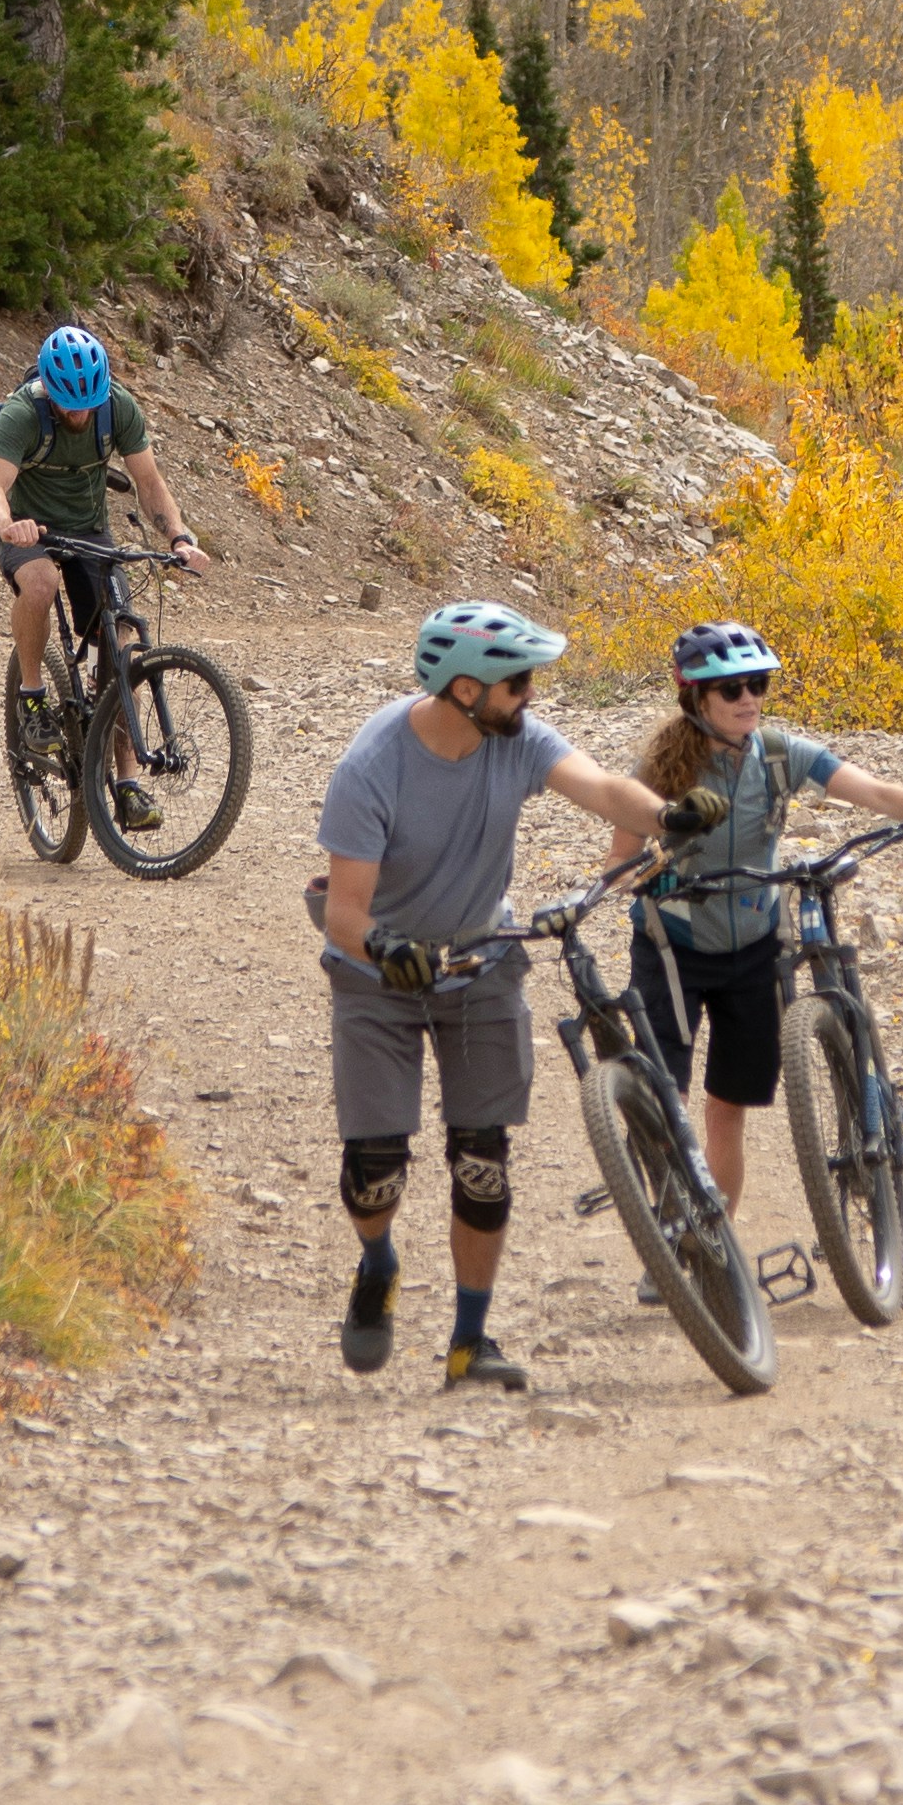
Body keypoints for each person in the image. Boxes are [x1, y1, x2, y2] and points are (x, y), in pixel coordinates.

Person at [314, 596, 662, 1393]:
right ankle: (378, 1262)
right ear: (467, 689)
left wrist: (672, 817)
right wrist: (386, 949)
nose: (530, 696)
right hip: (379, 980)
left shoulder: (517, 739)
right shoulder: (371, 768)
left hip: (480, 965)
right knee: (377, 1174)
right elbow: (342, 914)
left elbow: (607, 791)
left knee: (483, 1163)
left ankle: (470, 1344)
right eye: (517, 683)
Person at [636, 618, 903, 1236]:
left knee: (727, 1107)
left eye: (757, 684)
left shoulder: (781, 754)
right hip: (671, 946)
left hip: (754, 944)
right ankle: (671, 1224)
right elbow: (622, 859)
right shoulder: (660, 764)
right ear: (697, 698)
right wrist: (655, 876)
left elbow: (863, 787)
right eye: (732, 689)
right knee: (663, 1101)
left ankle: (712, 1240)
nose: (749, 699)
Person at [0, 327, 197, 831]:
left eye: (87, 405)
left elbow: (149, 483)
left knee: (118, 648)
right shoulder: (21, 414)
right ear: (50, 392)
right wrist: (7, 524)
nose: (79, 415)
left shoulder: (116, 407)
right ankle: (32, 697)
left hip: (89, 531)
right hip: (27, 528)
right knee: (40, 585)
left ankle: (126, 785)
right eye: (68, 406)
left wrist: (180, 537)